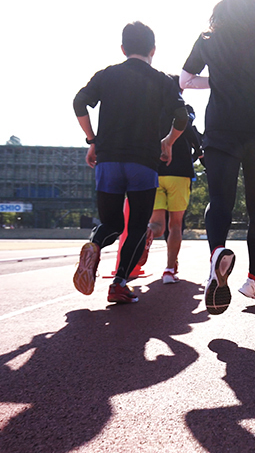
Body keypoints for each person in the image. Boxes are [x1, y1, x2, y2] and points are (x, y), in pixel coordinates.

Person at [180, 0, 255, 314]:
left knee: (220, 200)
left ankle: (217, 253)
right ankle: (252, 280)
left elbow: (185, 80)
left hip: (221, 126)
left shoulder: (208, 36)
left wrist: (219, 79)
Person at [72, 21, 187, 304]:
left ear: (123, 49)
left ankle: (95, 244)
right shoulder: (161, 80)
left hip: (108, 160)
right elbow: (182, 116)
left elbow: (79, 102)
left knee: (110, 222)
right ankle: (120, 283)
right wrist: (168, 142)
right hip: (143, 163)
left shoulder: (107, 75)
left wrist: (92, 140)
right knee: (136, 226)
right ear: (153, 50)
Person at [143, 76, 203, 284]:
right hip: (179, 171)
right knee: (175, 225)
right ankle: (169, 270)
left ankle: (147, 235)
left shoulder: (151, 110)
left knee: (157, 224)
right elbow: (188, 129)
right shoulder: (183, 110)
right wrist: (200, 150)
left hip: (154, 170)